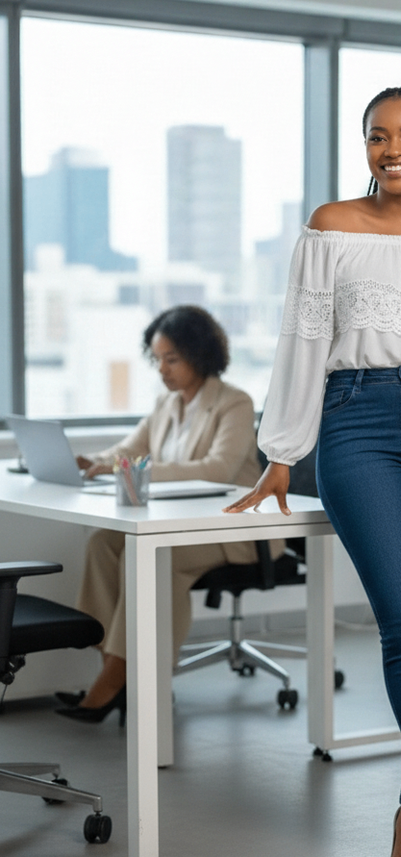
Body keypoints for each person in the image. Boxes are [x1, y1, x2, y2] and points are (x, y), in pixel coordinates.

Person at [225, 86, 401, 857]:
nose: (393, 149)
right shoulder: (333, 225)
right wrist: (281, 450)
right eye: (378, 136)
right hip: (356, 421)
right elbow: (302, 340)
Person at [56, 305, 263, 723]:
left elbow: (218, 469)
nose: (162, 370)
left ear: (199, 355)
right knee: (102, 543)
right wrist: (89, 461)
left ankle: (115, 685)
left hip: (230, 529)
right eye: (157, 359)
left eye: (172, 359)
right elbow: (127, 451)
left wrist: (136, 470)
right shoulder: (165, 405)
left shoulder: (234, 402)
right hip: (176, 524)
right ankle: (121, 674)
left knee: (154, 559)